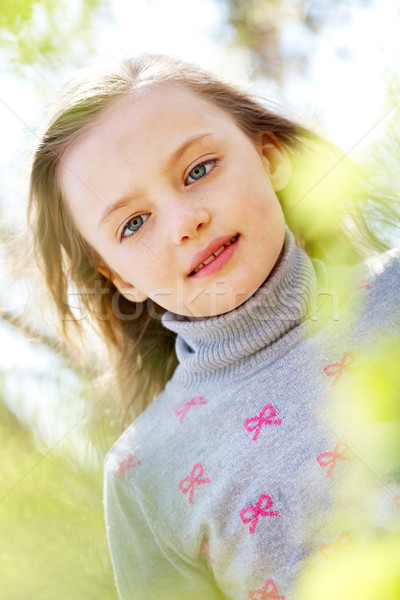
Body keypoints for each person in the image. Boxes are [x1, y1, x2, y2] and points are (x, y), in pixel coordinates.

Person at [28, 55, 400, 600]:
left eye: (199, 170)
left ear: (269, 158)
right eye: (133, 224)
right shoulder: (144, 473)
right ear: (118, 278)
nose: (185, 222)